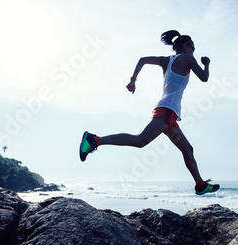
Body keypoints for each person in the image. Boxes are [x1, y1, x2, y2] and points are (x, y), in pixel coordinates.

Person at [79, 30, 219, 195]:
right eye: (193, 47)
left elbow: (143, 60)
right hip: (167, 110)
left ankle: (200, 184)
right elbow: (204, 78)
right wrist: (207, 64)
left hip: (169, 112)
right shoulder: (188, 58)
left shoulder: (166, 60)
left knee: (187, 149)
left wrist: (133, 80)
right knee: (141, 140)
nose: (193, 51)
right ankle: (94, 140)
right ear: (186, 46)